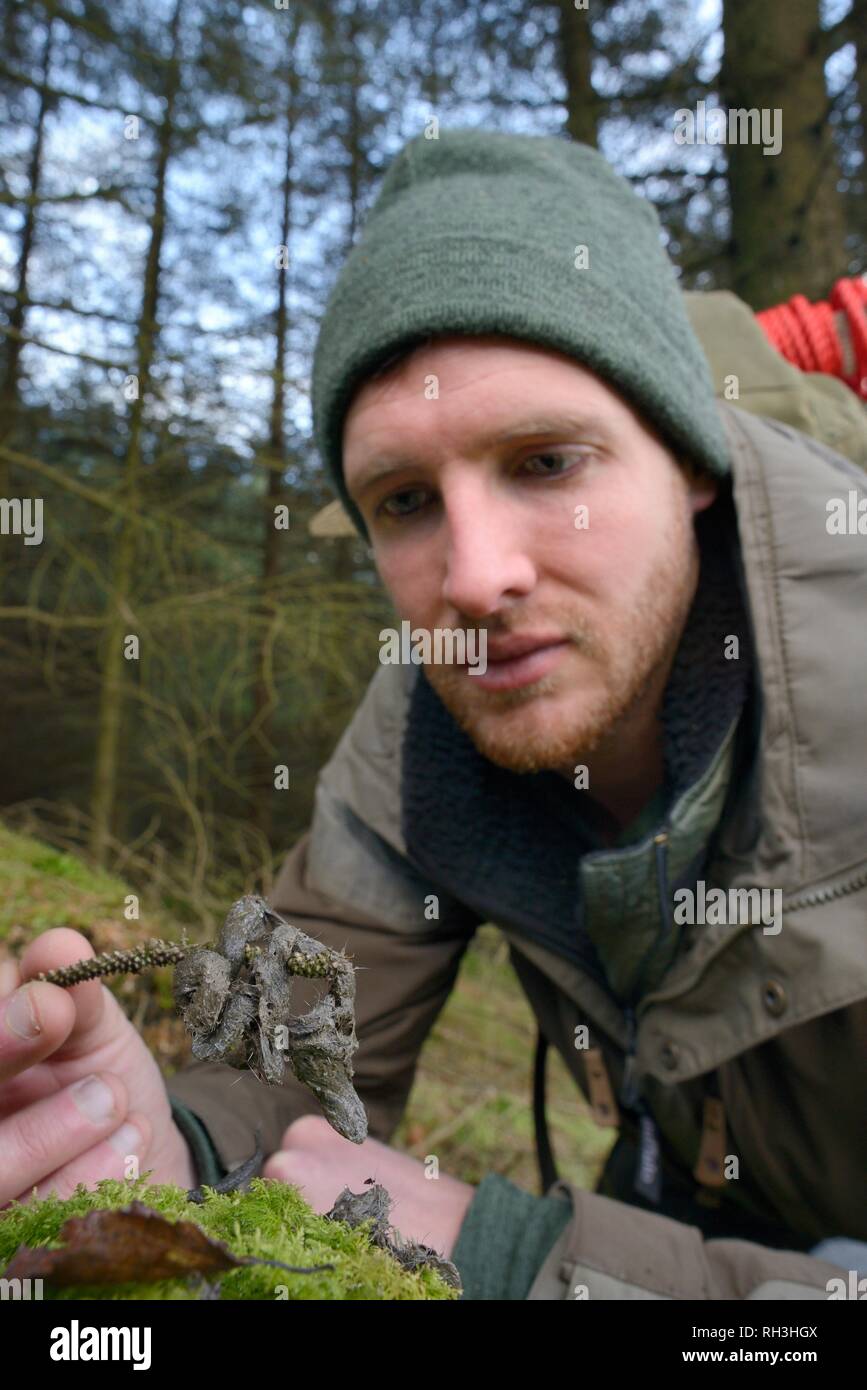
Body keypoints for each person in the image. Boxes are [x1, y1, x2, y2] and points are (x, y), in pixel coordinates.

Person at [2, 129, 865, 1301]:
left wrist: (528, 1265)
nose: (471, 576)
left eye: (547, 463)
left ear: (691, 457)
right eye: (405, 500)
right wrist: (171, 1145)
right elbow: (291, 1052)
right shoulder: (431, 714)